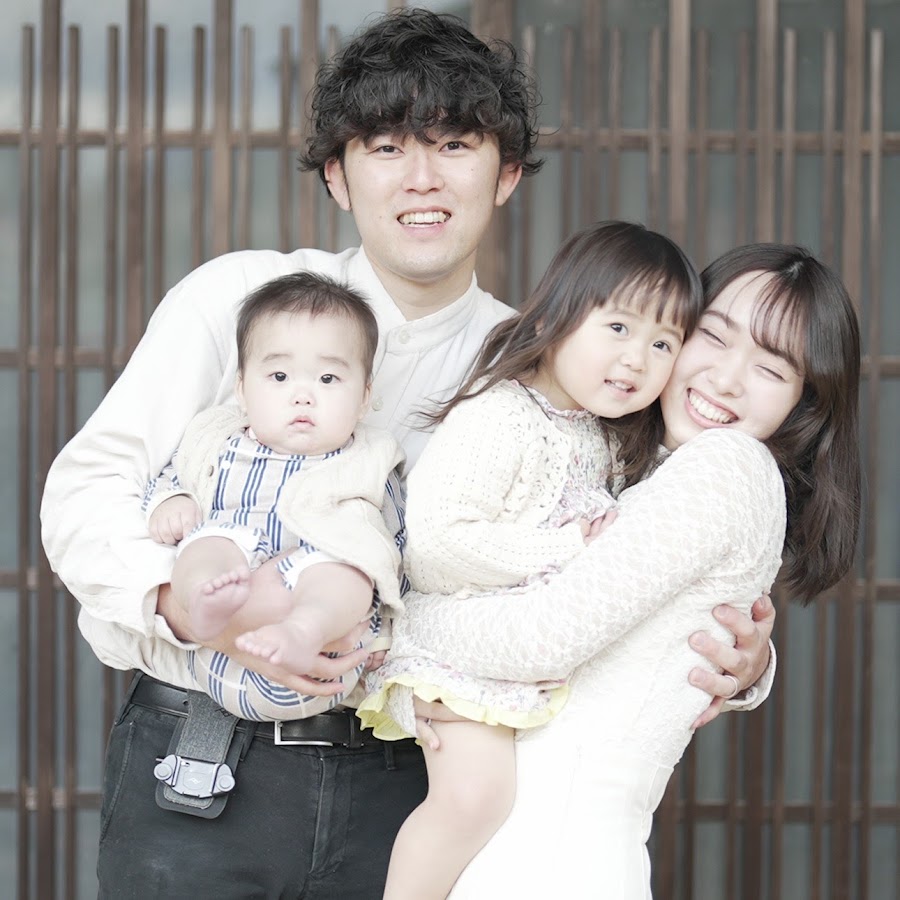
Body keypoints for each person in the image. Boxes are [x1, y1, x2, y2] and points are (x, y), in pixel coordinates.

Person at [39, 9, 773, 897]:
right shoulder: (241, 298)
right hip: (202, 760)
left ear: (506, 174)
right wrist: (196, 608)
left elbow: (630, 551)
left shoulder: (546, 364)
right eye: (386, 147)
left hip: (416, 785)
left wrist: (745, 665)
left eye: (455, 145)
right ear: (338, 176)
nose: (422, 178)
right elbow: (87, 493)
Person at [392, 243, 861, 899]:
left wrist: (390, 635)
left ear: (805, 404)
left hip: (554, 860)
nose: (727, 379)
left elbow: (541, 638)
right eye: (712, 337)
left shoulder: (724, 467)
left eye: (770, 368)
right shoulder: (618, 459)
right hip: (514, 848)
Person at [357, 220, 703, 899]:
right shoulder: (502, 415)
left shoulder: (603, 436)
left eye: (664, 343)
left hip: (529, 669)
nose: (637, 359)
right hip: (457, 654)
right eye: (619, 327)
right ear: (555, 315)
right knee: (474, 800)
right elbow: (435, 547)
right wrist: (568, 549)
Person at [143, 272, 406, 721]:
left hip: (323, 654)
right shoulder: (215, 438)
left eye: (328, 378)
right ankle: (203, 604)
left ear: (364, 399)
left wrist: (385, 633)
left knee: (346, 569)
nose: (302, 396)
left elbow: (395, 546)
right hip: (221, 650)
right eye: (279, 376)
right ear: (242, 390)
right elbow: (175, 474)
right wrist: (171, 502)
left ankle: (302, 628)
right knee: (208, 545)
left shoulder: (370, 459)